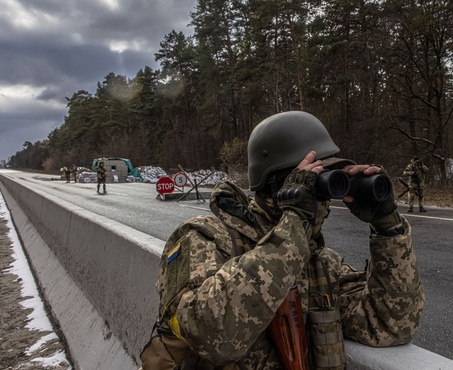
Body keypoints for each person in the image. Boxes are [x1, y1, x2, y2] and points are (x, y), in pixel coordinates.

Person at [140, 111, 425, 370]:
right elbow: (212, 334)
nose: (324, 198)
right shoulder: (206, 238)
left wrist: (387, 227)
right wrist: (293, 226)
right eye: (316, 179)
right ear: (276, 185)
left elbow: (391, 324)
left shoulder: (320, 264)